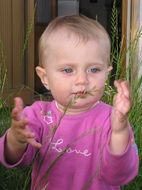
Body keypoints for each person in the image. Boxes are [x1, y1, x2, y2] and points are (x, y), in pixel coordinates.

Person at [0, 15, 139, 190]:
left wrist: (119, 132)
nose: (82, 80)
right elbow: (16, 160)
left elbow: (119, 175)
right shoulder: (37, 116)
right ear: (45, 78)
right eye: (68, 70)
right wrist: (16, 139)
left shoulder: (112, 120)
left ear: (107, 73)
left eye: (94, 69)